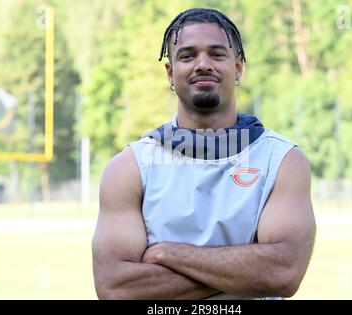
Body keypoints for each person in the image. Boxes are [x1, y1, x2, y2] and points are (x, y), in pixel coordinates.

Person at [92, 8, 316, 300]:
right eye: (187, 56)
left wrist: (167, 254)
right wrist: (248, 269)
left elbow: (282, 273)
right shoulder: (131, 168)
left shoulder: (282, 161)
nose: (202, 65)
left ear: (238, 68)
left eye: (217, 54)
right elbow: (115, 288)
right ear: (170, 73)